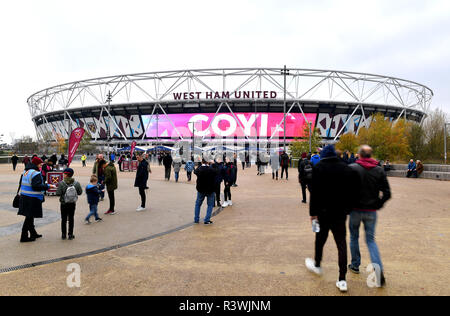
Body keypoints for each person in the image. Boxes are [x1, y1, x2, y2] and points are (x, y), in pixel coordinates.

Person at [305, 145, 357, 293]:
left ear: (323, 155)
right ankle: (342, 279)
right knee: (341, 245)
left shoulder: (319, 167)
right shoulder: (345, 167)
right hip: (339, 214)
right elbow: (352, 191)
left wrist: (313, 214)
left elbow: (314, 193)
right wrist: (348, 209)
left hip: (322, 213)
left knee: (320, 240)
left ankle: (317, 264)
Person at [348, 145, 391, 287]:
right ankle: (378, 271)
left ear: (359, 155)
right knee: (371, 241)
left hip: (355, 210)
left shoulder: (353, 168)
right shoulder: (379, 170)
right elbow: (387, 193)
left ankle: (355, 265)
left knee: (354, 237)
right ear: (371, 155)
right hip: (371, 211)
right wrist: (378, 204)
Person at [18, 157, 56, 242]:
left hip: (25, 196)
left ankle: (33, 233)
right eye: (40, 164)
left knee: (30, 217)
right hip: (33, 198)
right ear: (36, 164)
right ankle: (23, 237)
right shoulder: (35, 173)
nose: (41, 166)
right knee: (29, 218)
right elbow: (36, 186)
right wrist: (48, 186)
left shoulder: (26, 171)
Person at [55, 168, 83, 240]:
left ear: (66, 174)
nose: (63, 174)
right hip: (72, 203)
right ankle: (70, 234)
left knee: (63, 219)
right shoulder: (76, 183)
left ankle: (63, 234)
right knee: (71, 218)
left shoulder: (61, 183)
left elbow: (58, 193)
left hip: (64, 203)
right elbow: (80, 192)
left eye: (64, 173)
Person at [193, 159, 217, 225]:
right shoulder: (211, 169)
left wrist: (200, 164)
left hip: (201, 190)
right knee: (210, 205)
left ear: (202, 162)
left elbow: (195, 171)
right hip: (210, 190)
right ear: (208, 162)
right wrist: (213, 164)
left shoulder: (199, 169)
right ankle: (207, 220)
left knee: (198, 204)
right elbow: (216, 171)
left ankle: (196, 219)